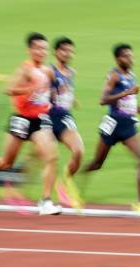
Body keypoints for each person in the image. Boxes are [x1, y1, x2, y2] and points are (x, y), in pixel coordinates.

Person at [0, 32, 62, 215]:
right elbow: (9, 89)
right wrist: (29, 89)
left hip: (40, 120)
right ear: (30, 50)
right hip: (21, 119)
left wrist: (52, 99)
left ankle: (46, 201)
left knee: (51, 158)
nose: (42, 51)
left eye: (45, 48)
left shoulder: (48, 71)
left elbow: (51, 91)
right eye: (38, 48)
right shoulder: (25, 69)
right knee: (6, 163)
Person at [83, 43, 140, 217]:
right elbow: (103, 100)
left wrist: (136, 106)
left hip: (128, 126)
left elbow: (128, 98)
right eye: (126, 56)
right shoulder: (113, 75)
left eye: (131, 55)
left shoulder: (131, 75)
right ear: (118, 59)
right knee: (97, 164)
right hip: (113, 124)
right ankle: (72, 181)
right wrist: (126, 93)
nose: (130, 58)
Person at [49, 37, 85, 209]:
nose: (68, 53)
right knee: (41, 160)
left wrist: (72, 99)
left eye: (70, 51)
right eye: (64, 50)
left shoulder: (70, 72)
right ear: (56, 52)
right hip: (47, 118)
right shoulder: (48, 71)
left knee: (78, 151)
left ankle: (64, 182)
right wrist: (54, 93)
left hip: (64, 117)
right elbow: (40, 92)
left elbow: (66, 90)